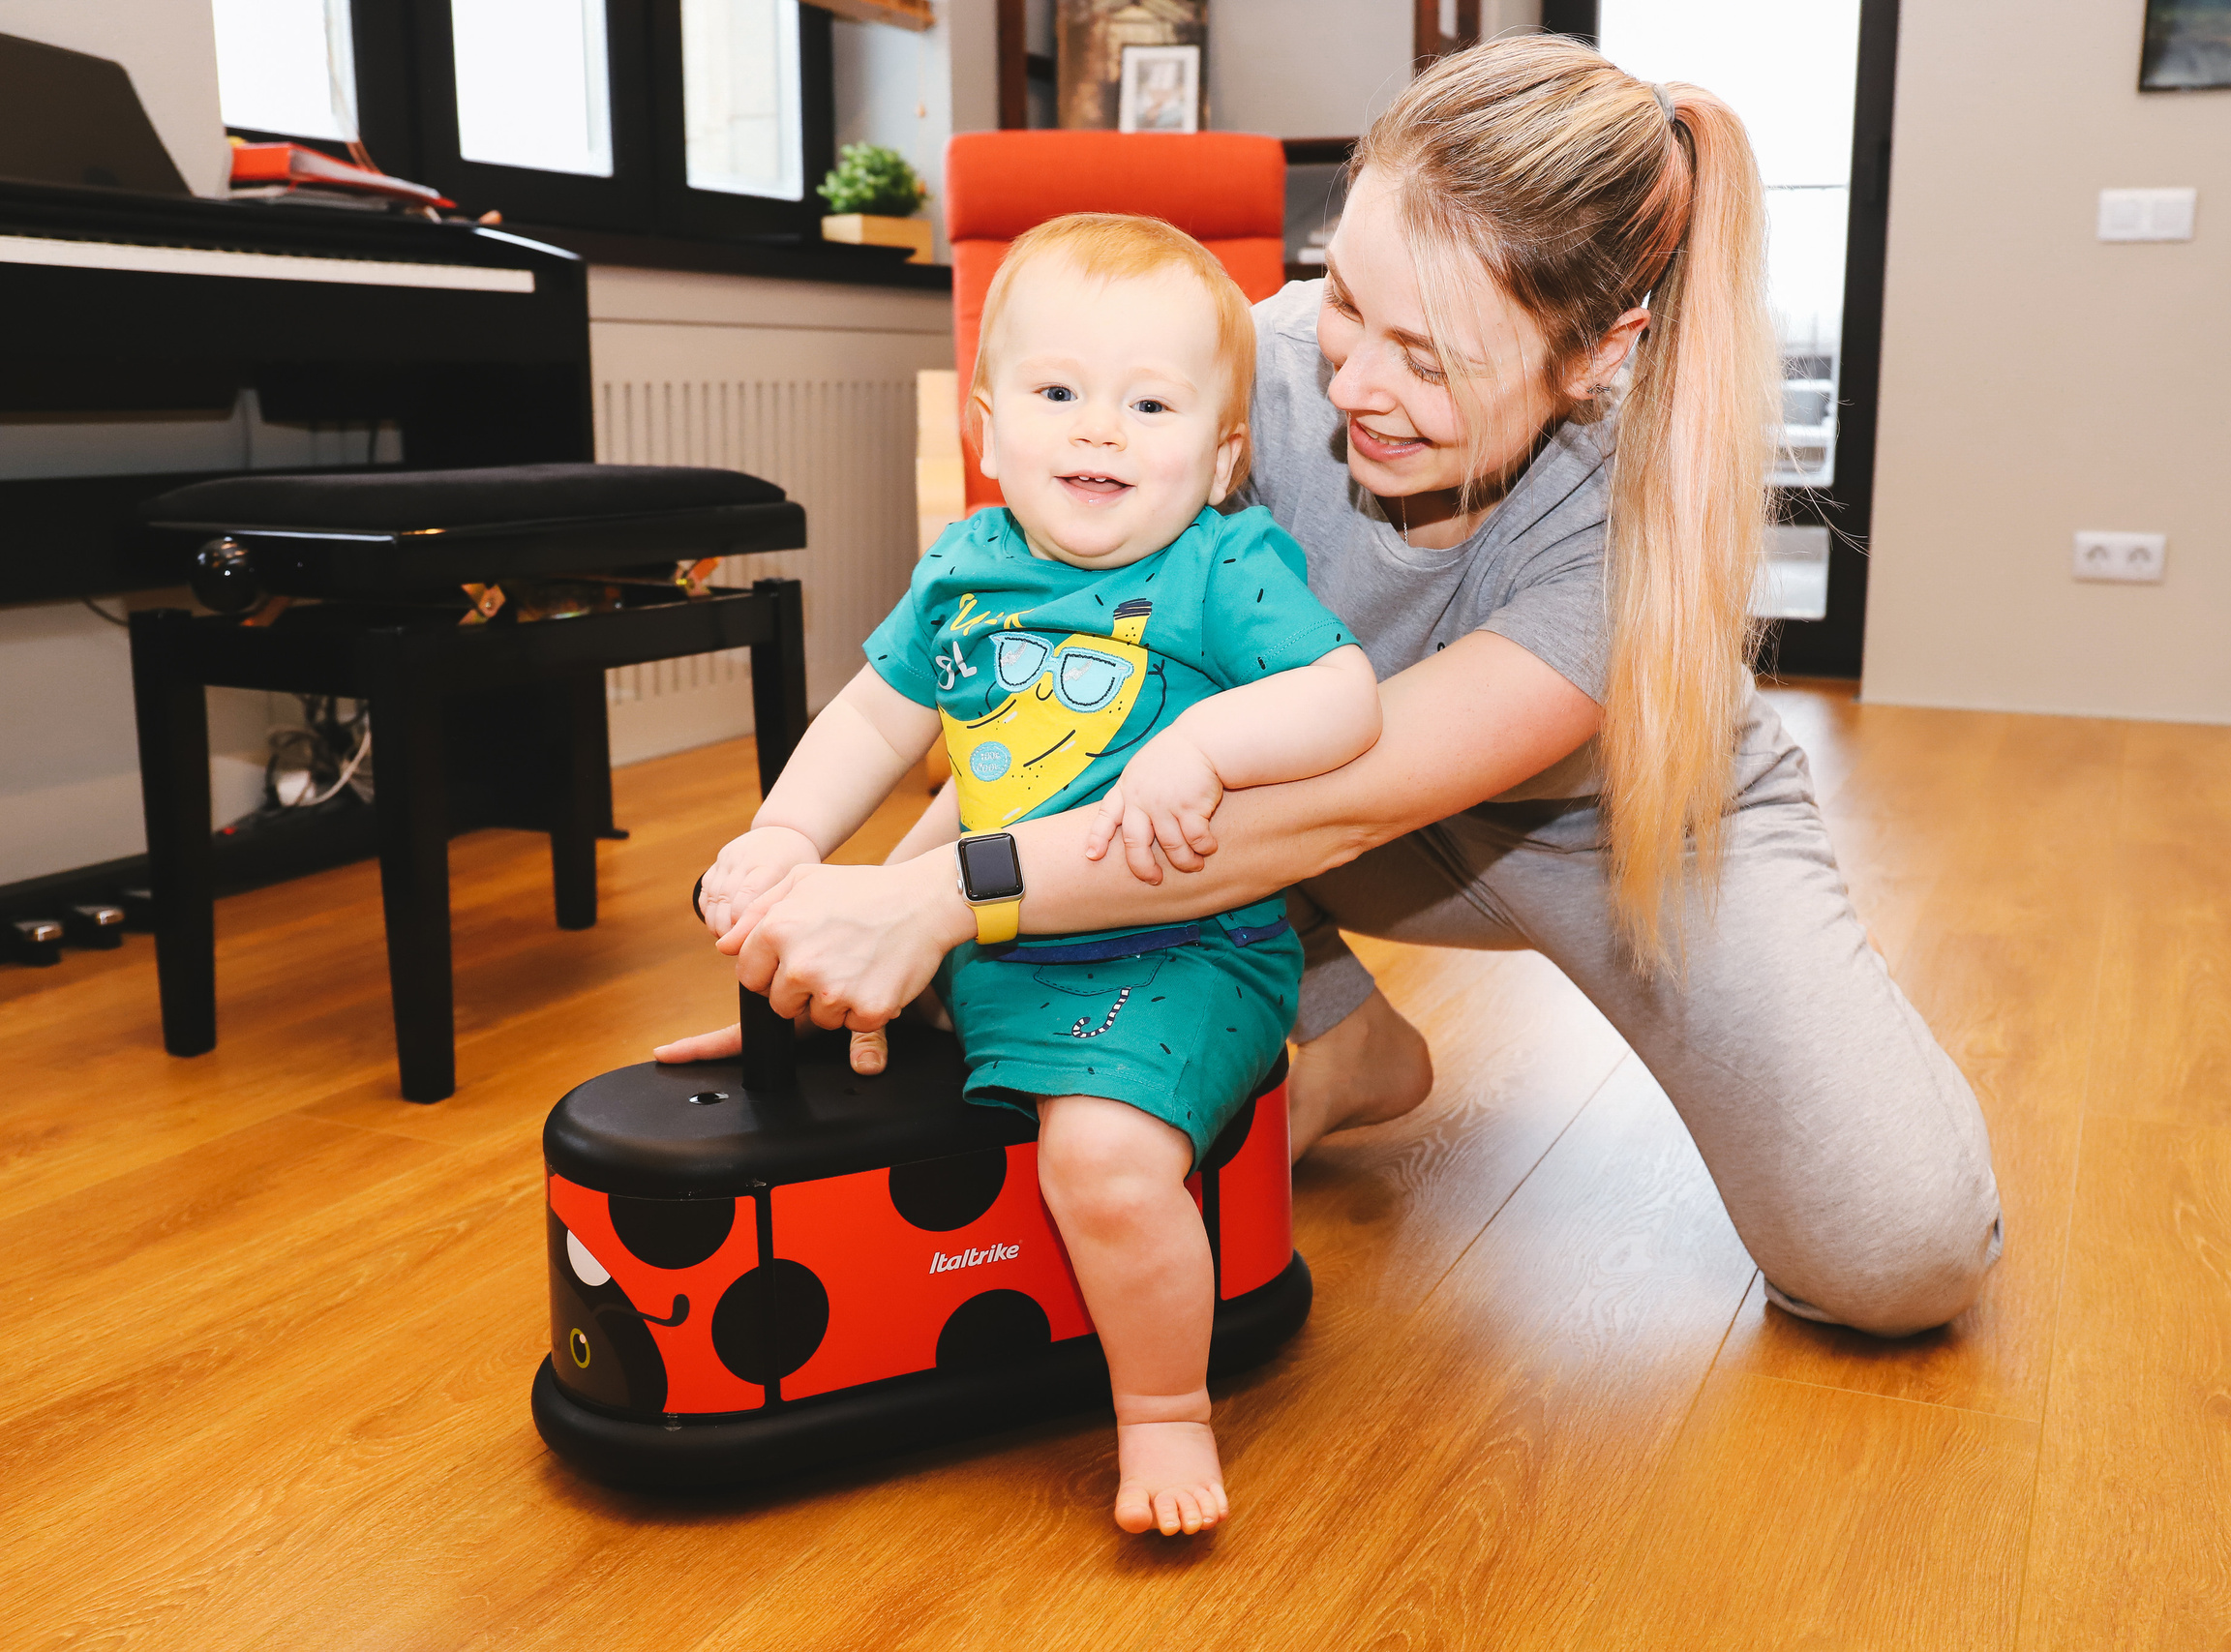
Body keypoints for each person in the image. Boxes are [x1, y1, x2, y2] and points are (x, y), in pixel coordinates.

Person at [668, 37, 2002, 1355]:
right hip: (1281, 795)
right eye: (1347, 295)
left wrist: (927, 903)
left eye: (1432, 361)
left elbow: (1319, 817)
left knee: (1898, 1251)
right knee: (1137, 735)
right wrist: (830, 953)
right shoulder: (1261, 371)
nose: (1352, 381)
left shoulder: (1624, 542)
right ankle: (1353, 1047)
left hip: (1603, 835)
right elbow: (1034, 686)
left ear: (1598, 354)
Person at [686, 213, 1380, 1536]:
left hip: (1178, 955)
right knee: (823, 1014)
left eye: (1149, 403)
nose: (1099, 431)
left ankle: (1165, 1408)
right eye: (1059, 395)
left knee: (1106, 1162)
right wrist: (784, 841)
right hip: (994, 945)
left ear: (1224, 455)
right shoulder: (962, 570)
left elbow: (1347, 701)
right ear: (990, 433)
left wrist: (1205, 740)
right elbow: (873, 719)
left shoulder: (1225, 566)